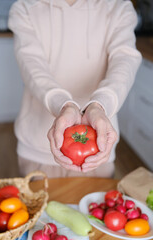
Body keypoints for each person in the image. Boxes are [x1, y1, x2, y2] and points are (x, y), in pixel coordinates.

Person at [8, 0, 142, 178]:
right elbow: (32, 66)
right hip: (37, 146)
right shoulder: (25, 8)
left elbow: (124, 62)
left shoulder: (118, 6)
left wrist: (100, 105)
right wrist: (63, 105)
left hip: (98, 145)